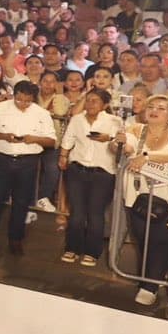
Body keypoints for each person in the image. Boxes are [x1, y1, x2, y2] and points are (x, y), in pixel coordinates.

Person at [118, 94, 168, 307]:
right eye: (151, 107)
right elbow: (127, 148)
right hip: (140, 195)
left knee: (160, 240)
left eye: (161, 108)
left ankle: (150, 287)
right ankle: (152, 277)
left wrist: (147, 157)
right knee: (143, 238)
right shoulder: (136, 129)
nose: (154, 110)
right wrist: (120, 143)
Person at [0, 80, 57, 257]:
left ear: (34, 98)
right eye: (19, 99)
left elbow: (51, 141)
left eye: (27, 101)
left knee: (21, 202)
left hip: (28, 162)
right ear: (14, 95)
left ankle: (16, 240)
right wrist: (3, 136)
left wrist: (34, 139)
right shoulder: (0, 108)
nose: (23, 104)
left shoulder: (42, 113)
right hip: (2, 160)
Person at [57, 88, 121, 266]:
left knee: (95, 214)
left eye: (95, 101)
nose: (90, 104)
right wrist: (63, 156)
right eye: (88, 100)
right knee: (76, 213)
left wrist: (110, 138)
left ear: (105, 105)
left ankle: (92, 252)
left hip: (103, 173)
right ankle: (72, 248)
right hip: (77, 170)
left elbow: (122, 143)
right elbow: (68, 139)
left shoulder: (114, 121)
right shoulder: (77, 119)